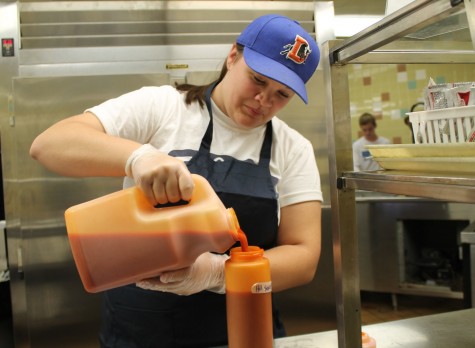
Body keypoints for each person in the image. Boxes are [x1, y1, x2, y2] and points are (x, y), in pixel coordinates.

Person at [30, 14, 322, 348]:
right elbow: (48, 145)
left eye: (282, 94)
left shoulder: (293, 147)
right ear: (232, 56)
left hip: (242, 327)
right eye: (257, 80)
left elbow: (304, 257)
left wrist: (217, 272)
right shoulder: (164, 107)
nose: (264, 101)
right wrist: (139, 157)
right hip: (141, 326)